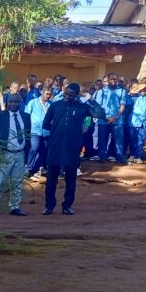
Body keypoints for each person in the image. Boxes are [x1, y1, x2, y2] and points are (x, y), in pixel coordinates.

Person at [41, 83, 104, 215]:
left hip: (73, 146)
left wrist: (91, 100)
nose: (67, 96)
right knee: (51, 177)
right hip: (56, 146)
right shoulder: (55, 105)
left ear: (76, 95)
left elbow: (100, 114)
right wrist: (57, 132)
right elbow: (46, 124)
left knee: (71, 178)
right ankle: (49, 206)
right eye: (66, 93)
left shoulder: (82, 107)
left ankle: (67, 205)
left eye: (70, 95)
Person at [0, 94, 32, 216]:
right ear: (7, 102)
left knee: (17, 182)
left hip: (20, 154)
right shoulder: (0, 116)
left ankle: (14, 206)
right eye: (11, 102)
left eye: (16, 102)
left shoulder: (26, 117)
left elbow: (28, 135)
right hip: (4, 153)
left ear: (21, 103)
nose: (13, 104)